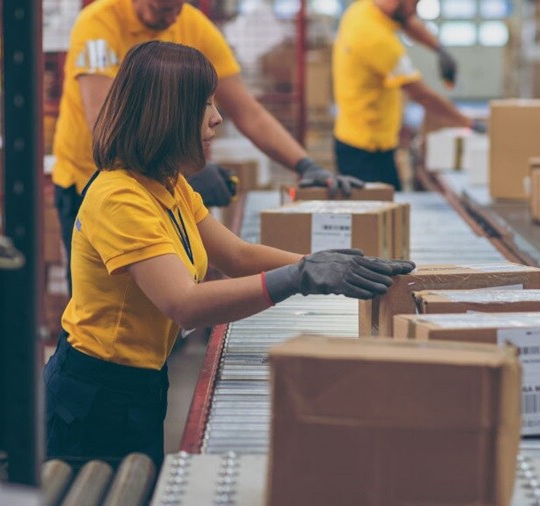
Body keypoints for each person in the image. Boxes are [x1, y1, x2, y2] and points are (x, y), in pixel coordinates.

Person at [43, 40, 416, 469]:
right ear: (168, 114)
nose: (217, 118)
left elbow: (234, 255)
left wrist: (321, 263)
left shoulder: (167, 182)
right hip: (94, 396)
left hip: (140, 382)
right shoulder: (119, 198)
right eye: (204, 105)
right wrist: (298, 279)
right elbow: (184, 305)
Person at [51, 0, 366, 291]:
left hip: (157, 177)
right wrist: (296, 277)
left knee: (159, 297)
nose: (173, 17)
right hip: (89, 177)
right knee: (115, 293)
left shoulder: (191, 23)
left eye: (178, 7)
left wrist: (305, 165)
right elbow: (106, 120)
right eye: (162, 9)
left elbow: (248, 111)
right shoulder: (98, 24)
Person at [332, 0, 482, 190]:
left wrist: (440, 49)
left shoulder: (366, 8)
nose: (416, 10)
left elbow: (407, 21)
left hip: (366, 139)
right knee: (382, 211)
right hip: (365, 151)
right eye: (415, 3)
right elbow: (421, 95)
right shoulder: (377, 40)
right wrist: (468, 123)